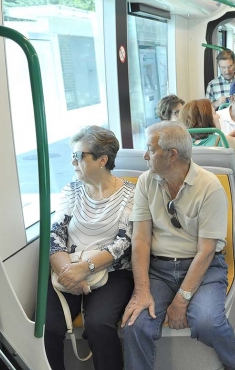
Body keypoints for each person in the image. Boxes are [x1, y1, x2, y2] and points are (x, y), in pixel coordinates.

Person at [121, 122, 235, 370]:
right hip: (159, 270)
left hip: (204, 267)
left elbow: (207, 250)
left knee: (207, 322)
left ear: (171, 155)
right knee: (134, 326)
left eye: (150, 149)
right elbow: (141, 239)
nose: (145, 155)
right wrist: (142, 291)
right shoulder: (147, 181)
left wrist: (181, 300)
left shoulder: (209, 187)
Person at [45, 126, 135, 370]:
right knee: (48, 323)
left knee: (99, 324)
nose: (72, 162)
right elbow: (54, 233)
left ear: (102, 160)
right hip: (68, 267)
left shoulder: (131, 194)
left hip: (113, 272)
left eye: (78, 156)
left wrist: (85, 268)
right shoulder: (72, 189)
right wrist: (69, 273)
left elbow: (124, 243)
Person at [179, 98, 235, 274]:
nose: (218, 115)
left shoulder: (181, 147)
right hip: (230, 210)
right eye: (213, 112)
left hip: (191, 212)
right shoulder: (224, 142)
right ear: (206, 119)